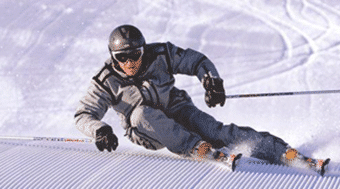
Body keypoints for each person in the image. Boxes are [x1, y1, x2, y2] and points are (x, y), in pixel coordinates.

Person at [74, 24, 302, 165]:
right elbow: (83, 114)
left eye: (135, 54)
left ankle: (281, 152)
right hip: (147, 129)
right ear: (113, 56)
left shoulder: (160, 54)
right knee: (142, 114)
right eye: (122, 57)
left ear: (143, 50)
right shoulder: (105, 80)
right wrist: (100, 131)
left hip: (176, 108)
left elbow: (196, 61)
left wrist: (212, 81)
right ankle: (194, 146)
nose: (130, 62)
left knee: (215, 131)